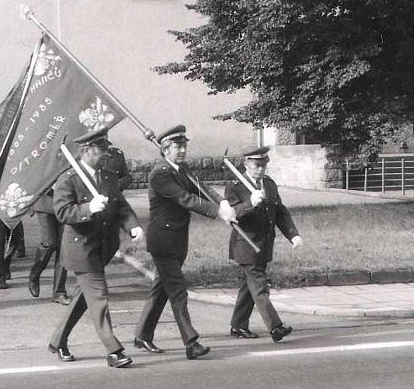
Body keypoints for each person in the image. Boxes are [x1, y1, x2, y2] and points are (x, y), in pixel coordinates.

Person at [133, 125, 236, 360]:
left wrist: (223, 204)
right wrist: (216, 212)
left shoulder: (183, 169)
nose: (182, 150)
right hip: (163, 242)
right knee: (178, 291)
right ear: (165, 149)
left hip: (178, 239)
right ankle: (191, 342)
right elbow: (185, 199)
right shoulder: (159, 174)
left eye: (184, 146)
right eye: (177, 147)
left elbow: (202, 189)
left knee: (161, 289)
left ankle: (142, 335)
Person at [48, 127, 143, 368]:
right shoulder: (68, 179)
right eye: (101, 150)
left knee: (85, 296)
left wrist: (133, 226)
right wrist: (88, 209)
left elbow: (121, 207)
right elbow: (61, 212)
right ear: (87, 151)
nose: (106, 155)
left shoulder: (108, 176)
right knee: (98, 295)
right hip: (81, 249)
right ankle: (114, 350)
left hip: (103, 246)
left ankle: (58, 341)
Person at [224, 145, 303, 342]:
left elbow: (280, 212)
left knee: (249, 286)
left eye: (264, 165)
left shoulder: (269, 184)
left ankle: (238, 325)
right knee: (259, 286)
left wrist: (293, 235)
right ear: (246, 164)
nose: (261, 169)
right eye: (257, 165)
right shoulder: (235, 186)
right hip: (246, 245)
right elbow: (232, 216)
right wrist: (250, 203)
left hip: (265, 244)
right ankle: (275, 327)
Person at [27, 189, 71, 305]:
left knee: (64, 248)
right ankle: (34, 275)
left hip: (67, 203)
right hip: (45, 202)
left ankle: (59, 292)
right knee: (49, 243)